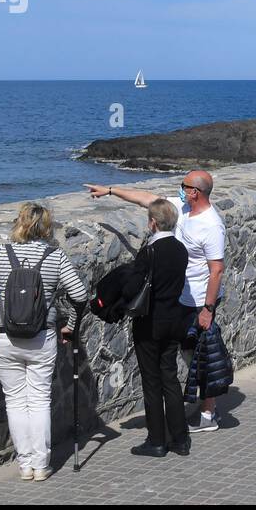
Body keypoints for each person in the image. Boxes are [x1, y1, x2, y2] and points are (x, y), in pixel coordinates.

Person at [85, 171, 226, 433]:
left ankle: (208, 413)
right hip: (178, 298)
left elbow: (216, 269)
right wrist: (111, 190)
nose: (180, 189)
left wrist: (208, 309)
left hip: (198, 301)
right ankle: (186, 420)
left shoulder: (212, 224)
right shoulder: (181, 208)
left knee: (200, 355)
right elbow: (147, 199)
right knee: (185, 356)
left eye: (184, 185)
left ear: (195, 192)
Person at [0, 202, 90, 481]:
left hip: (6, 338)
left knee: (15, 401)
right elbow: (80, 294)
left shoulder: (3, 253)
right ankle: (41, 465)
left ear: (20, 223)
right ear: (47, 227)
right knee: (39, 399)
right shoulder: (55, 256)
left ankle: (24, 464)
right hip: (42, 337)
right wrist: (71, 326)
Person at [122, 199, 194, 457]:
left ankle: (156, 440)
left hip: (150, 323)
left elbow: (132, 288)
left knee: (152, 383)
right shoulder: (180, 249)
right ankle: (181, 439)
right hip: (174, 320)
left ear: (153, 222)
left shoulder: (149, 252)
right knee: (170, 378)